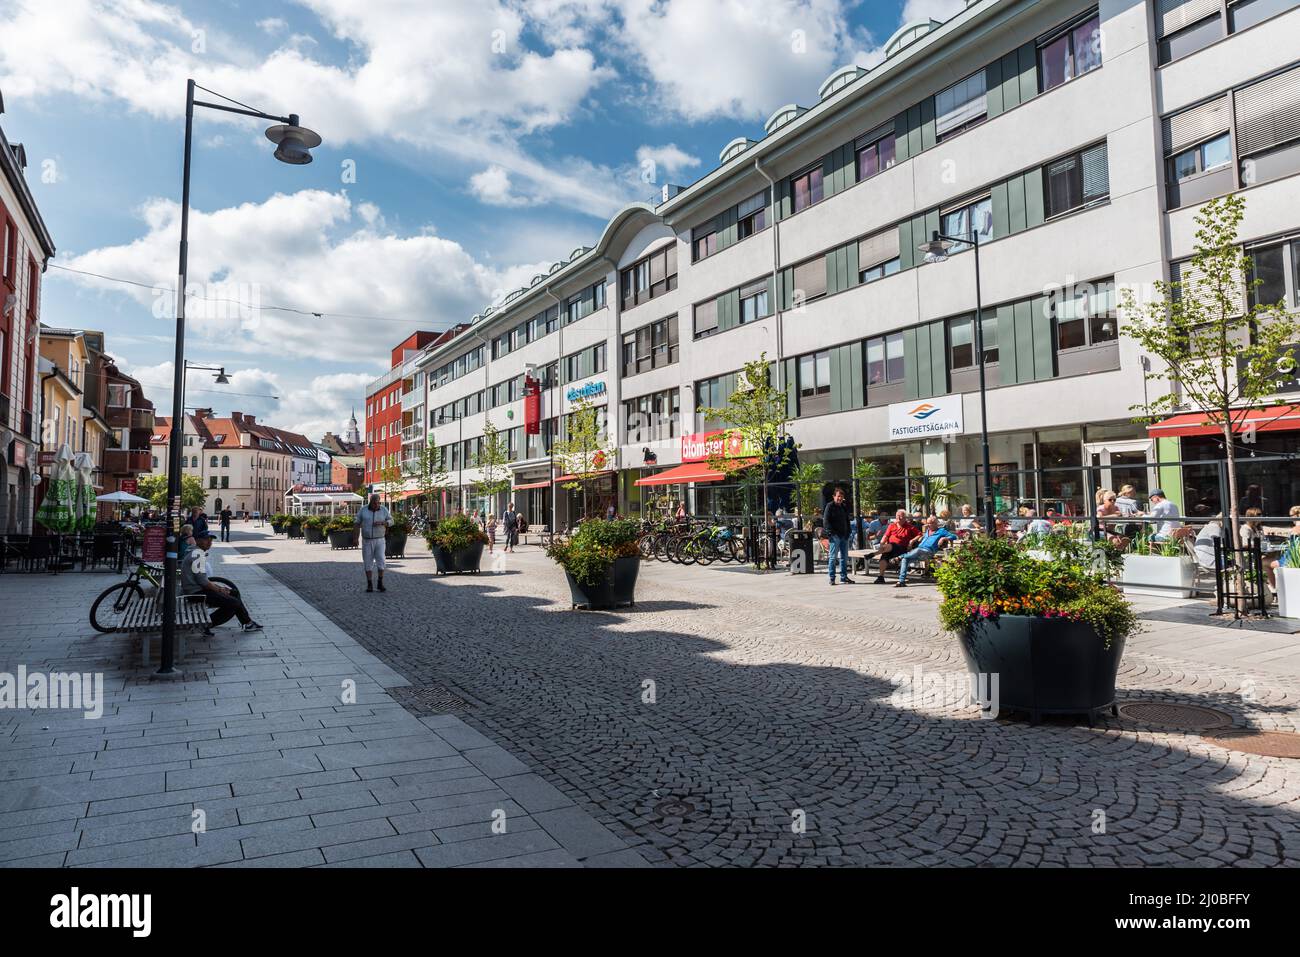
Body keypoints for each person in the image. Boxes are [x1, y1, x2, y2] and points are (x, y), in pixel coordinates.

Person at [183, 532, 261, 633]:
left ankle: (248, 623)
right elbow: (203, 582)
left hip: (198, 589)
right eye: (206, 539)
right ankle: (204, 625)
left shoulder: (196, 552)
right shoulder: (197, 555)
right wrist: (219, 589)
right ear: (198, 540)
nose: (209, 543)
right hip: (196, 593)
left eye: (211, 540)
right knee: (234, 603)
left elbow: (203, 580)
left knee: (234, 593)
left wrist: (220, 589)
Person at [895, 515, 957, 587]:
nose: (928, 525)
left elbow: (954, 536)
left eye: (930, 523)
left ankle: (899, 557)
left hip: (928, 552)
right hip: (919, 552)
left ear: (935, 523)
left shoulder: (941, 531)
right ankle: (901, 581)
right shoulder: (927, 531)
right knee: (905, 559)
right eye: (927, 523)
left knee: (916, 550)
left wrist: (944, 538)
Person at [355, 493, 392, 592]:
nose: (376, 505)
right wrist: (355, 537)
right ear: (370, 502)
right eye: (374, 503)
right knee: (368, 562)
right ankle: (369, 584)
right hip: (367, 540)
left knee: (381, 561)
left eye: (378, 503)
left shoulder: (383, 509)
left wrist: (384, 523)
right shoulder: (363, 510)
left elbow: (391, 520)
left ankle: (380, 582)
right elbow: (357, 522)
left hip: (380, 539)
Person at [874, 509, 919, 584]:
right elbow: (885, 536)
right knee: (884, 556)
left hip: (902, 549)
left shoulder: (909, 527)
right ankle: (880, 577)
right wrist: (882, 544)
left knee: (892, 546)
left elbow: (919, 534)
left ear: (904, 518)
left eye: (900, 516)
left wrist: (911, 542)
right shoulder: (892, 526)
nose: (898, 517)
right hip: (890, 549)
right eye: (897, 516)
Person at [822, 487, 855, 586]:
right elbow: (826, 521)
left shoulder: (844, 506)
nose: (839, 498)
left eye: (841, 497)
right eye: (838, 496)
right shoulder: (829, 506)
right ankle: (832, 578)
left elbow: (847, 520)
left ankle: (843, 577)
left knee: (844, 557)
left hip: (844, 535)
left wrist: (848, 532)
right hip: (835, 536)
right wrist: (831, 534)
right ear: (834, 497)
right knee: (833, 557)